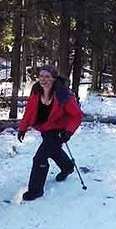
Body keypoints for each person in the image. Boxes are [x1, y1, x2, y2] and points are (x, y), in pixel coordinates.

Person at [17, 65, 84, 201]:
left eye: (47, 76)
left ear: (54, 78)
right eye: (41, 76)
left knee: (40, 158)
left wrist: (68, 132)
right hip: (45, 128)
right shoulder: (36, 90)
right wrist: (22, 128)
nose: (43, 79)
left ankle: (36, 191)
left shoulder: (64, 94)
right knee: (53, 150)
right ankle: (67, 167)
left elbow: (76, 115)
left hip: (60, 130)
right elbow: (30, 110)